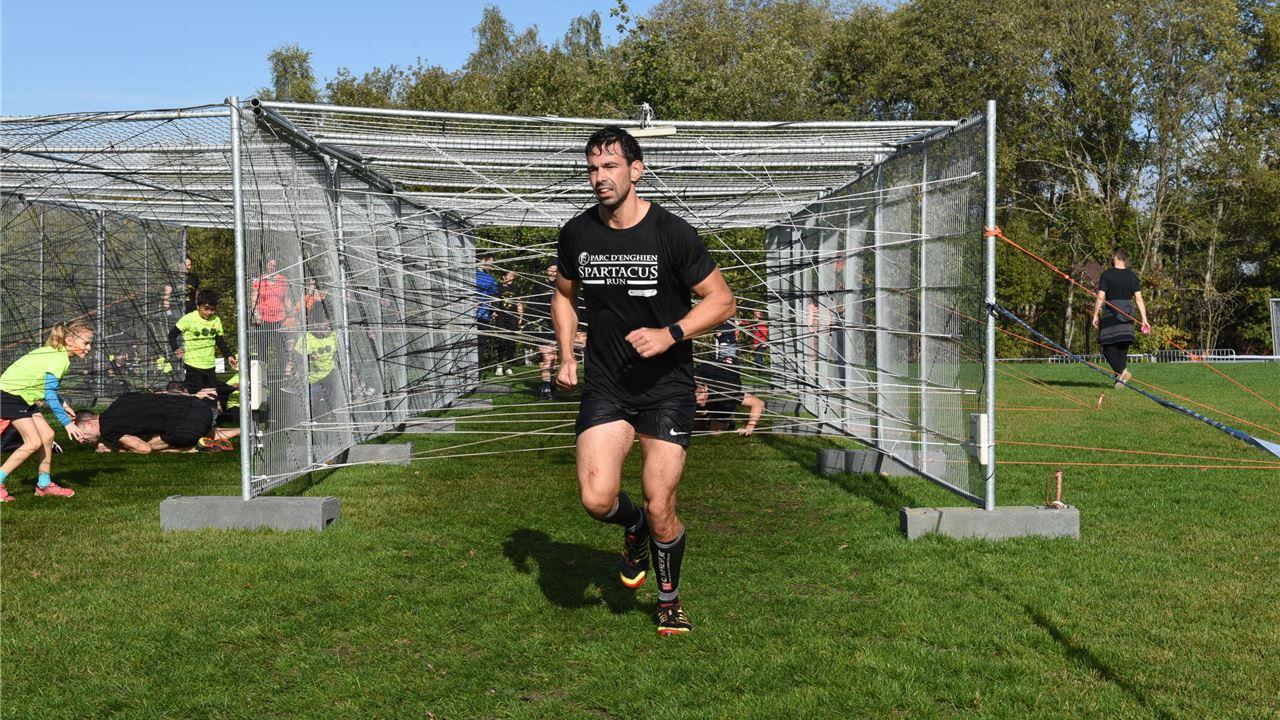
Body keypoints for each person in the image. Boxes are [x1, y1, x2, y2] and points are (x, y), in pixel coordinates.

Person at [553, 126, 736, 636]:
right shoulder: (577, 233)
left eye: (610, 166)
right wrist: (566, 354)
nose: (600, 177)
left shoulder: (671, 232)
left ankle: (668, 599)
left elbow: (722, 301)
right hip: (607, 384)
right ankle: (631, 527)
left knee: (661, 504)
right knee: (597, 498)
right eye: (593, 168)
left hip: (666, 388)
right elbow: (564, 295)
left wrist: (671, 333)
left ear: (636, 170)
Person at [0, 321, 94, 500]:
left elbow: (44, 386)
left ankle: (44, 485)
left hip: (22, 397)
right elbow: (49, 394)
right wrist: (66, 423)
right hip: (10, 396)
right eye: (86, 343)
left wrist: (63, 405)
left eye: (90, 343)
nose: (89, 348)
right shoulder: (60, 359)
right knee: (33, 442)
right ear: (69, 340)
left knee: (47, 435)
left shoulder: (56, 353)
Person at [75, 388, 239, 454]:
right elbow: (158, 394)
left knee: (152, 445)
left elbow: (144, 449)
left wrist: (115, 449)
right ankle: (243, 431)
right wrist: (194, 395)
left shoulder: (107, 431)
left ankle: (197, 448)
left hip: (188, 429)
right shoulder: (122, 399)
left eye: (80, 435)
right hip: (200, 407)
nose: (81, 441)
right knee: (202, 429)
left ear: (89, 424)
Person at [1091, 248, 1150, 388]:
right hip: (1128, 313)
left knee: (1107, 346)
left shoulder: (1107, 275)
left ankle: (1122, 372)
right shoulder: (1132, 276)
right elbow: (1139, 299)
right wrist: (1144, 319)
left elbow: (1100, 296)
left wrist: (1095, 314)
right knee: (1122, 347)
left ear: (1116, 258)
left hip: (1111, 313)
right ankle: (1120, 378)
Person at [169, 289, 237, 401]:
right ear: (198, 306)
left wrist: (229, 355)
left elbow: (220, 341)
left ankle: (214, 411)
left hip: (209, 366)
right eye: (206, 309)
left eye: (212, 309)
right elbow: (172, 335)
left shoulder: (216, 320)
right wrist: (176, 348)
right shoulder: (189, 319)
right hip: (193, 366)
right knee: (195, 397)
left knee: (212, 396)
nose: (209, 312)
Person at [695, 362, 765, 435]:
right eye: (693, 396)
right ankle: (706, 417)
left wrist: (749, 427)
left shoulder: (725, 392)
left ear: (705, 388)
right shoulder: (689, 388)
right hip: (709, 376)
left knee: (714, 433)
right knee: (696, 429)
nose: (697, 399)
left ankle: (729, 422)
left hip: (723, 398)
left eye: (699, 394)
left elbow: (758, 403)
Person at [535, 264, 560, 400]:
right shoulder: (539, 285)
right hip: (543, 325)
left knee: (556, 357)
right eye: (551, 269)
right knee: (547, 356)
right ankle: (546, 388)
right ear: (546, 271)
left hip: (559, 324)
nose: (553, 272)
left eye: (556, 269)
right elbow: (532, 304)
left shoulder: (562, 284)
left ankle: (551, 382)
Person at [493, 270, 522, 376]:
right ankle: (499, 366)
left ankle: (509, 366)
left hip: (512, 317)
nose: (512, 277)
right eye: (510, 275)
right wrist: (493, 312)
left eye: (513, 276)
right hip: (501, 317)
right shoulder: (498, 287)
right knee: (501, 341)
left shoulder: (516, 288)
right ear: (504, 276)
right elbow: (493, 301)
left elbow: (519, 302)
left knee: (511, 342)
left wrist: (521, 316)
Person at [475, 253, 500, 376]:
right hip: (478, 316)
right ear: (482, 260)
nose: (492, 266)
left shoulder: (489, 278)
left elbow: (494, 296)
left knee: (480, 346)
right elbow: (495, 295)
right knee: (478, 346)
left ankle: (478, 373)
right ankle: (477, 373)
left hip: (483, 315)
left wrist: (493, 310)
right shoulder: (483, 278)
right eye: (491, 263)